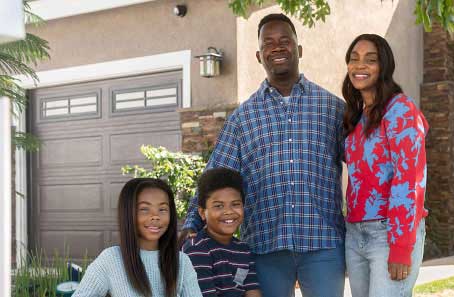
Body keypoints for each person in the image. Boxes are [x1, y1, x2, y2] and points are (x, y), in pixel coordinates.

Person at [182, 13, 346, 297]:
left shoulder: (332, 108)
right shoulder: (243, 118)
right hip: (265, 245)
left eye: (285, 40)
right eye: (268, 42)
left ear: (299, 49)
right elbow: (215, 173)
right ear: (259, 56)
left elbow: (364, 162)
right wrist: (191, 224)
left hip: (323, 243)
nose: (277, 47)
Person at [341, 33, 429, 297]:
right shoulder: (357, 117)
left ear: (384, 67)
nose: (360, 66)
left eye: (370, 60)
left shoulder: (400, 110)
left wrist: (401, 246)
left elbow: (409, 179)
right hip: (355, 233)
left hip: (389, 233)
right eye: (354, 59)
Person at [73, 178, 202, 297]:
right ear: (128, 213)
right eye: (144, 209)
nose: (155, 216)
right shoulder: (111, 259)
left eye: (162, 209)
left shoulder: (182, 262)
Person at [182, 168, 261, 297]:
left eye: (235, 204)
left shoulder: (243, 250)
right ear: (202, 213)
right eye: (218, 206)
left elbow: (252, 290)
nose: (228, 211)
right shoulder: (196, 248)